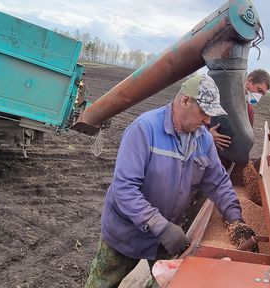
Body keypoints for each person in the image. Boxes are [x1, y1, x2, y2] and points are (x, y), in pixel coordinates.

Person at [85, 74, 256, 288]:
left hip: (164, 237)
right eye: (204, 113)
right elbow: (124, 189)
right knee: (101, 283)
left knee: (167, 283)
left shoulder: (202, 139)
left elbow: (218, 181)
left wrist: (235, 219)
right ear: (185, 101)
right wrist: (161, 226)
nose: (208, 121)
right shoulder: (144, 130)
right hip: (126, 234)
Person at [210, 69, 270, 151]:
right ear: (249, 81)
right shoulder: (220, 96)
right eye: (259, 90)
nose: (258, 95)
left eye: (262, 94)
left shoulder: (249, 110)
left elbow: (247, 136)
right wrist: (208, 135)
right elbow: (198, 121)